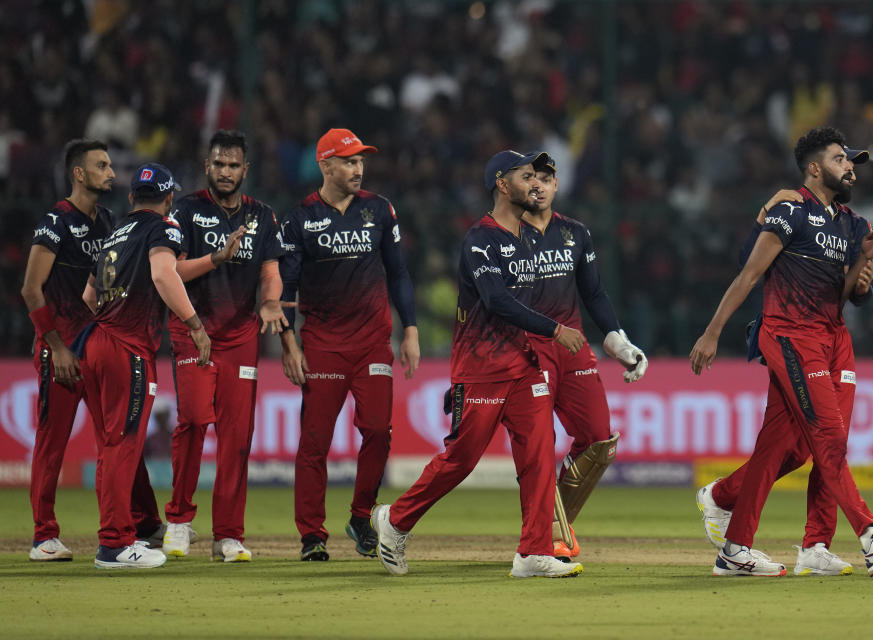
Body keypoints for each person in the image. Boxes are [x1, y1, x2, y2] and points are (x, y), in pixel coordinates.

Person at [689, 126, 873, 577]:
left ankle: (778, 546)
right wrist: (711, 332)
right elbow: (748, 272)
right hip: (791, 335)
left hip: (835, 339)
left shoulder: (855, 225)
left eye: (851, 161)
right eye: (840, 159)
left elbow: (850, 296)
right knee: (827, 436)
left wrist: (862, 267)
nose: (850, 167)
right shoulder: (790, 209)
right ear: (815, 168)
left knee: (786, 450)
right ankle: (872, 537)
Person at [370, 150, 587, 579]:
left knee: (540, 453)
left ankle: (533, 552)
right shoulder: (480, 239)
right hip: (481, 368)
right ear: (503, 185)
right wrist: (555, 330)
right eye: (527, 176)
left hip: (522, 367)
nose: (535, 184)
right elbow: (497, 301)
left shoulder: (528, 237)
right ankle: (394, 521)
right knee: (462, 459)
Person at [279, 128, 420, 561]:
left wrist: (410, 328)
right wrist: (288, 341)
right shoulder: (299, 218)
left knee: (378, 430)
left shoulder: (380, 210)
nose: (358, 168)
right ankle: (312, 536)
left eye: (361, 160)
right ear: (325, 166)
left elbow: (398, 273)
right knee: (315, 441)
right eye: (349, 161)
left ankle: (361, 516)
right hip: (322, 343)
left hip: (373, 342)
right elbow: (285, 285)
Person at [21, 139, 162, 561]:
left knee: (121, 440)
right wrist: (55, 346)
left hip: (101, 348)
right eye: (102, 165)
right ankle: (44, 536)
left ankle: (143, 523)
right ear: (79, 174)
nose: (112, 172)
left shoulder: (111, 223)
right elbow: (30, 289)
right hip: (61, 350)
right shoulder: (55, 223)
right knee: (53, 442)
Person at [75, 162, 211, 569]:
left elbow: (88, 296)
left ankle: (130, 528)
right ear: (170, 199)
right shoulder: (164, 227)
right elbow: (164, 275)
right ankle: (114, 545)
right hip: (127, 349)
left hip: (95, 342)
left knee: (111, 446)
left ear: (132, 197)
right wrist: (196, 326)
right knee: (123, 446)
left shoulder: (113, 234)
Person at [161, 130, 283, 563]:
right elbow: (171, 271)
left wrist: (270, 301)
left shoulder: (264, 217)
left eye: (234, 165)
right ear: (207, 166)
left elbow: (271, 269)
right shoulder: (186, 211)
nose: (226, 172)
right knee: (193, 421)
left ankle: (228, 535)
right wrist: (216, 258)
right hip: (194, 330)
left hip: (240, 337)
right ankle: (177, 521)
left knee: (237, 437)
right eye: (219, 164)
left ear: (245, 170)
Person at [521, 152, 648, 560]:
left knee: (599, 439)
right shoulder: (503, 234)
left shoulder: (575, 233)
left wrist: (618, 342)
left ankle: (553, 519)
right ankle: (548, 532)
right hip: (524, 349)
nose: (539, 184)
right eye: (531, 177)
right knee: (534, 447)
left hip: (571, 347)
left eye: (546, 178)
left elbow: (593, 293)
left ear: (558, 186)